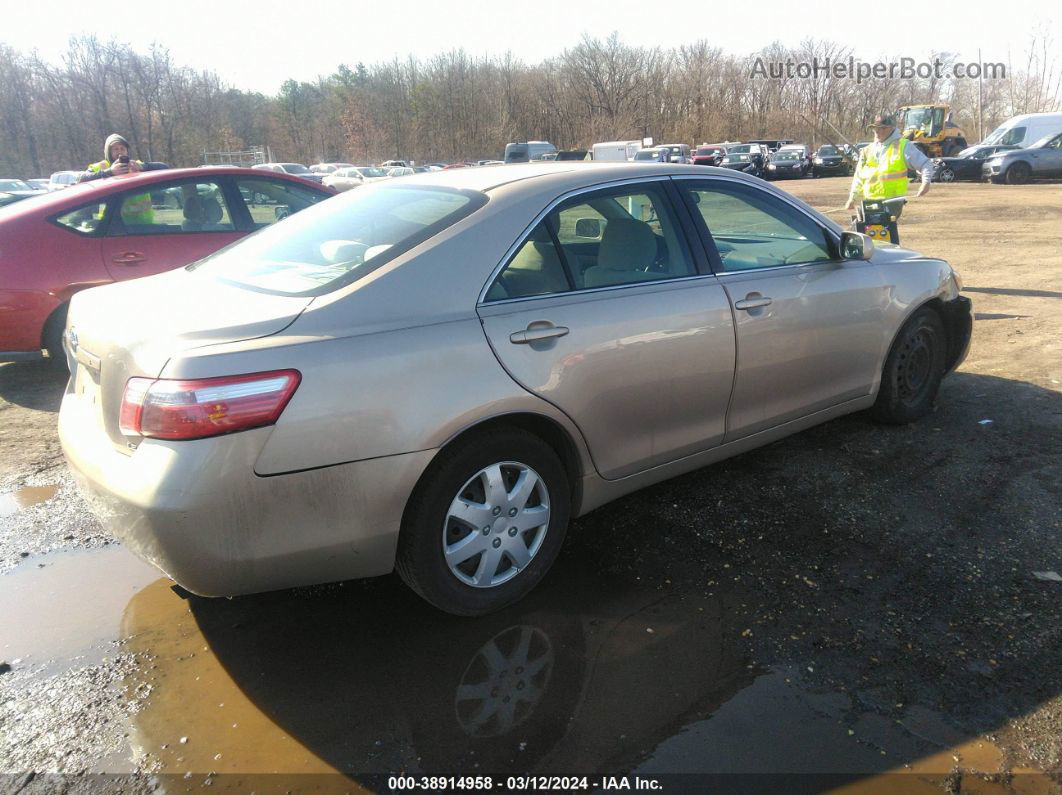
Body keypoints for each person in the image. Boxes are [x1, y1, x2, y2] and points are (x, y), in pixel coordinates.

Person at [845, 114, 934, 213]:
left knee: (882, 228)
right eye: (875, 128)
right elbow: (859, 177)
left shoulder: (903, 146)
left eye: (882, 128)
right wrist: (852, 198)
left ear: (892, 128)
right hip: (869, 202)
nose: (877, 131)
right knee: (861, 227)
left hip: (892, 203)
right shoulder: (867, 151)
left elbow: (926, 164)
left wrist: (925, 183)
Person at [76, 133, 166, 225]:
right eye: (115, 149)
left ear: (127, 151)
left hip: (143, 226)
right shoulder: (103, 167)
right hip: (112, 227)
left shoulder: (137, 165)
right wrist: (109, 172)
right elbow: (81, 179)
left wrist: (143, 167)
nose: (120, 152)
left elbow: (165, 168)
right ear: (108, 153)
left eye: (122, 148)